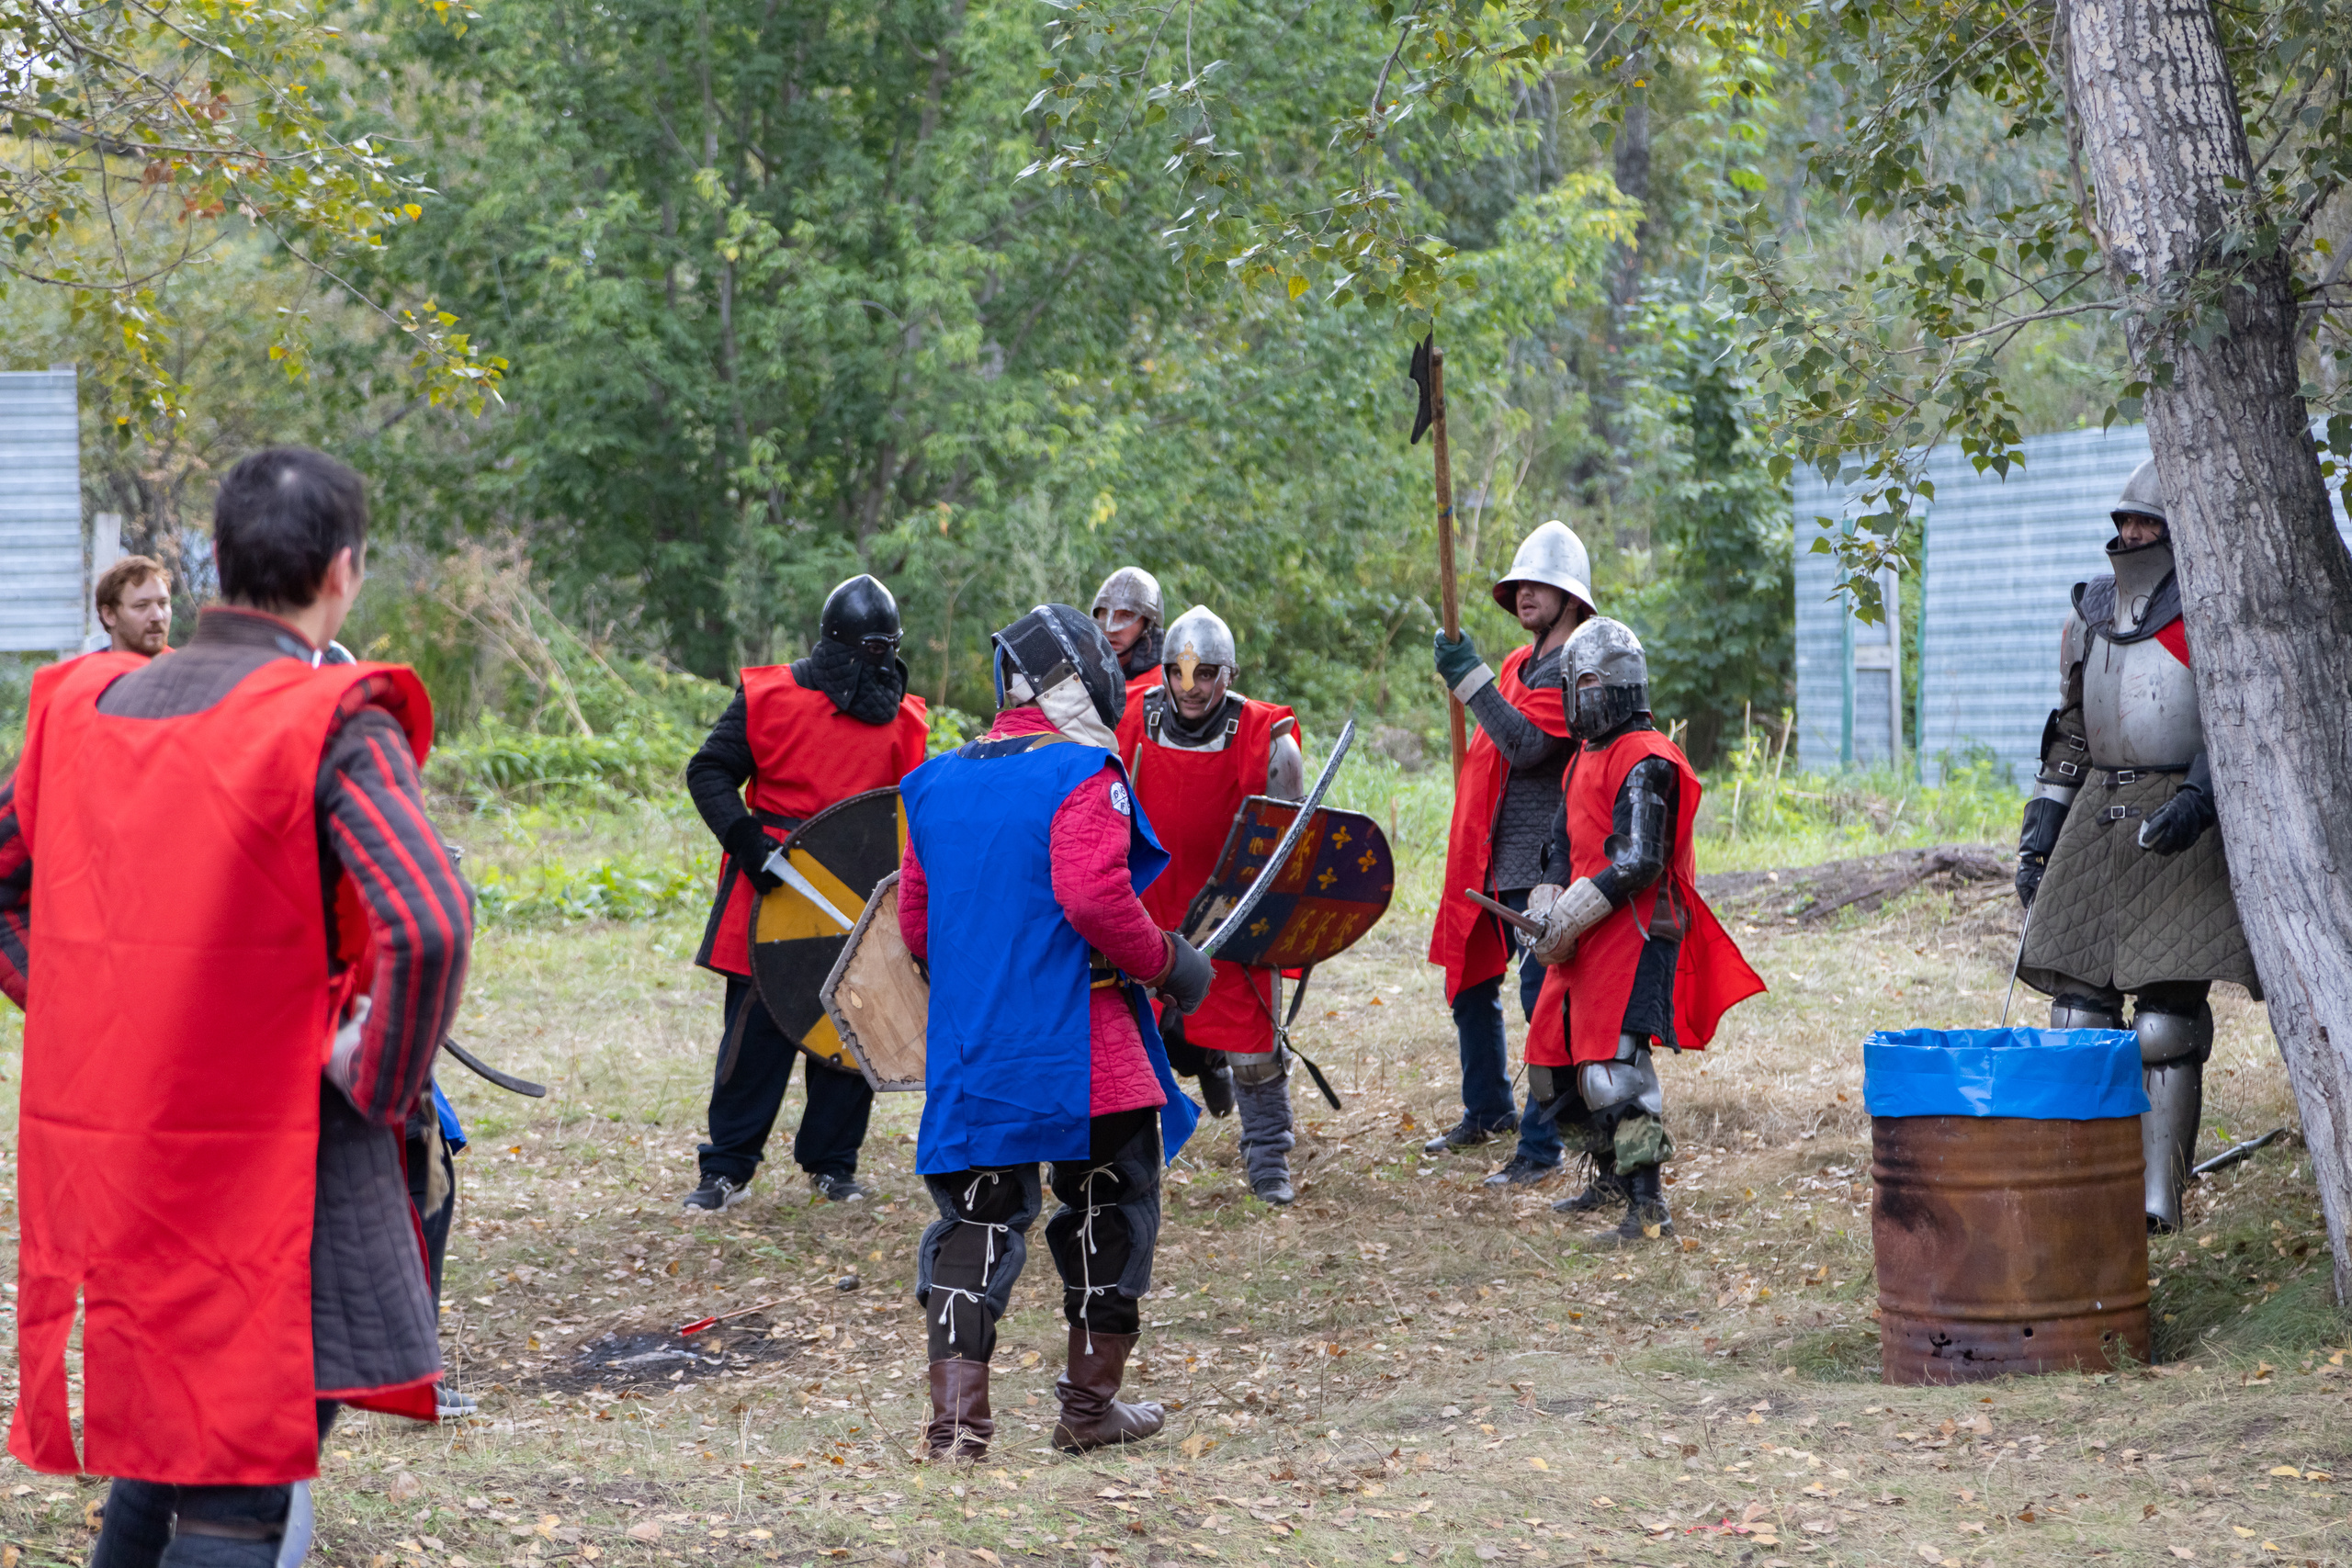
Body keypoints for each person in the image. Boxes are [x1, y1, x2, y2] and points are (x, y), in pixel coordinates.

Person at [0, 446, 469, 1566]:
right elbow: (428, 920)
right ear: (344, 572)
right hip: (278, 1166)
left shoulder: (88, 703)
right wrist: (372, 1077)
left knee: (170, 1443)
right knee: (236, 1490)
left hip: (126, 1146)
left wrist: (99, 1016)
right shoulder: (329, 719)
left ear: (215, 558)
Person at [898, 604, 1209, 1462]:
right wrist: (1165, 961)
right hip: (1084, 1045)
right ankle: (1087, 1409)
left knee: (975, 1219)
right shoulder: (1082, 771)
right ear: (1078, 681)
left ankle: (956, 1430)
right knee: (1110, 1204)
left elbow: (918, 927)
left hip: (977, 1051)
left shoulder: (932, 782)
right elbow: (1092, 896)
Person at [2014, 458, 2255, 1233]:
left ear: (2174, 528)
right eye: (2126, 520)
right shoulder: (2089, 612)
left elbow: (2233, 720)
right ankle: (2084, 1190)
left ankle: (2158, 1202)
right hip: (2097, 814)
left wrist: (2198, 798)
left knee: (2165, 1024)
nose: (2133, 532)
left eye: (2147, 521)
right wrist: (2042, 828)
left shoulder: (2208, 609)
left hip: (2179, 819)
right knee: (2077, 1019)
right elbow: (2072, 732)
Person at [683, 574, 931, 1211]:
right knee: (754, 1037)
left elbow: (911, 815)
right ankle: (727, 1167)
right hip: (771, 887)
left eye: (888, 648)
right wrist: (745, 840)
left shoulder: (906, 720)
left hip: (857, 899)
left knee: (853, 1027)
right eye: (870, 648)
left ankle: (832, 1163)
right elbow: (709, 770)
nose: (880, 661)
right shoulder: (768, 698)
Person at [1521, 619, 1763, 1245]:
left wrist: (1573, 911)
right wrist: (1547, 901)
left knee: (1614, 1071)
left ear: (1617, 684)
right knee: (1554, 1065)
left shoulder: (1647, 758)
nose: (1578, 697)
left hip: (1636, 926)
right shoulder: (1584, 757)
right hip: (1586, 928)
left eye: (1586, 683)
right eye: (1574, 685)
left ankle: (1648, 1206)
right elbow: (1560, 843)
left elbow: (1640, 859)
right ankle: (1608, 1177)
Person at [1114, 604, 1306, 1202]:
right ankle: (1118, 1158)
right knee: (1128, 1035)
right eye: (1178, 672)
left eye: (1205, 674)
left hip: (1230, 909)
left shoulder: (1267, 740)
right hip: (1148, 904)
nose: (1190, 687)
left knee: (1252, 1040)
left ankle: (1268, 1154)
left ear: (1229, 674)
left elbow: (1281, 851)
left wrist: (1263, 922)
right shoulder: (1130, 719)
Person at [1423, 521, 1593, 1180]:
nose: (1525, 593)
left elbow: (1527, 745)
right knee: (1470, 986)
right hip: (1493, 857)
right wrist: (1481, 682)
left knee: (1540, 1001)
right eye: (1520, 584)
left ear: (1571, 595)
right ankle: (1487, 1110)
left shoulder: (1580, 664)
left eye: (1540, 584)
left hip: (1546, 862)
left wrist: (1470, 682)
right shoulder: (1522, 663)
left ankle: (1541, 1148)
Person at [1091, 567, 1166, 693]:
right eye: (1105, 613)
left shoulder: (1164, 682)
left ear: (1148, 624)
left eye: (1126, 615)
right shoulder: (1078, 669)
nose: (1111, 629)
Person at [92, 555, 173, 657]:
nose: (158, 616)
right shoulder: (87, 666)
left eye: (163, 603)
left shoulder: (186, 665)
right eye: (142, 606)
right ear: (109, 614)